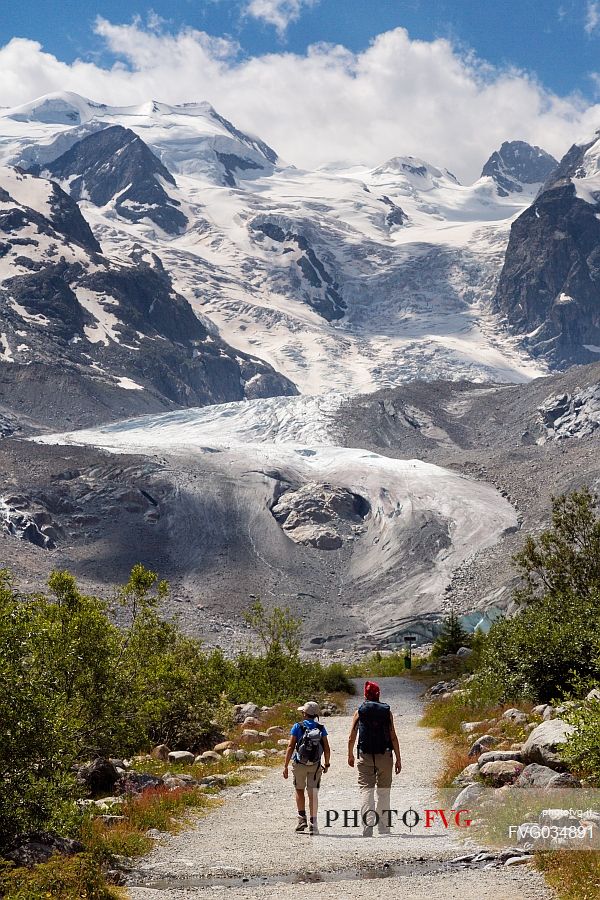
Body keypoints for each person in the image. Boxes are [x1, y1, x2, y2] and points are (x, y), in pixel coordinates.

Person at [347, 680, 402, 837]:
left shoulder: (359, 712)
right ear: (378, 695)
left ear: (365, 694)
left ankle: (367, 825)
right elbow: (393, 736)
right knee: (384, 791)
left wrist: (350, 754)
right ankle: (383, 827)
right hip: (385, 755)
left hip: (365, 755)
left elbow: (352, 736)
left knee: (366, 790)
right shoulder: (386, 712)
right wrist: (398, 758)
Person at [283, 700, 331, 835]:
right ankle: (313, 823)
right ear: (316, 714)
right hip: (315, 765)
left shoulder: (297, 726)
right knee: (313, 794)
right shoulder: (321, 728)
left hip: (299, 764)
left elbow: (291, 746)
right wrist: (326, 764)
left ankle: (301, 819)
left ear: (304, 713)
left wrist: (286, 765)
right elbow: (326, 748)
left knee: (299, 790)